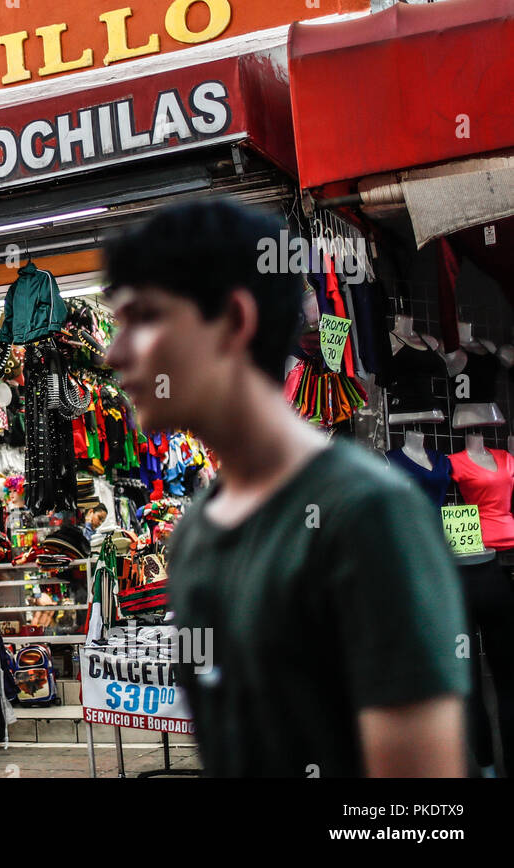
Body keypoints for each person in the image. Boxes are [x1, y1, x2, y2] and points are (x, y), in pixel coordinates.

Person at [102, 198, 469, 777]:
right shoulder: (196, 534)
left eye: (144, 318)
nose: (113, 351)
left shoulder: (367, 516)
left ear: (233, 322)